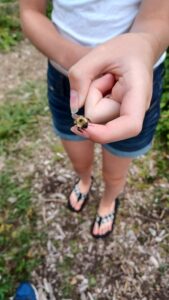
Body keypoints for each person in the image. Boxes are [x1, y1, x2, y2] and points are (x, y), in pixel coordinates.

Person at [19, 0, 169, 238]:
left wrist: (143, 44)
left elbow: (159, 16)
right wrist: (81, 59)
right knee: (78, 159)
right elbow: (29, 12)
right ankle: (84, 181)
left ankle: (109, 199)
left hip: (131, 82)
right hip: (65, 77)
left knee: (116, 170)